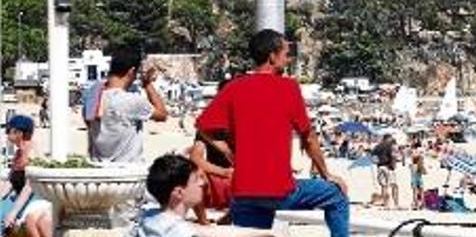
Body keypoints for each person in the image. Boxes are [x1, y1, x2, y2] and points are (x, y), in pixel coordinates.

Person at [196, 29, 349, 236]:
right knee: (337, 196)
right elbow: (309, 137)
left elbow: (204, 127)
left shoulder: (234, 87)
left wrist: (230, 153)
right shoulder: (288, 88)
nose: (288, 59)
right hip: (279, 189)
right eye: (286, 54)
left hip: (243, 191)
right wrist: (326, 174)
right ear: (272, 56)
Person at [136, 154, 270, 237]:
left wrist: (265, 233)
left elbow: (208, 232)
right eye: (195, 180)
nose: (202, 183)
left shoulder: (150, 217)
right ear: (179, 193)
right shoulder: (177, 231)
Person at [85, 48, 169, 162]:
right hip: (127, 170)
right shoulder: (132, 101)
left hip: (99, 170)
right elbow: (162, 115)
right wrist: (147, 84)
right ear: (131, 71)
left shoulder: (92, 95)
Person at [0, 115, 52, 237]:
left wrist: (13, 212)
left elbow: (29, 186)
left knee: (5, 217)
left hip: (34, 197)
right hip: (19, 196)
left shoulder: (33, 152)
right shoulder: (18, 152)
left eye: (9, 130)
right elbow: (11, 181)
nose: (6, 134)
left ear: (19, 132)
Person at [372, 134, 399, 208]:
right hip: (388, 166)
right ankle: (396, 203)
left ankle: (385, 203)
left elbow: (373, 158)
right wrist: (393, 166)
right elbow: (393, 156)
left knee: (384, 186)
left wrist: (378, 162)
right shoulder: (390, 146)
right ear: (388, 138)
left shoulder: (377, 146)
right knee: (394, 185)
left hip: (380, 167)